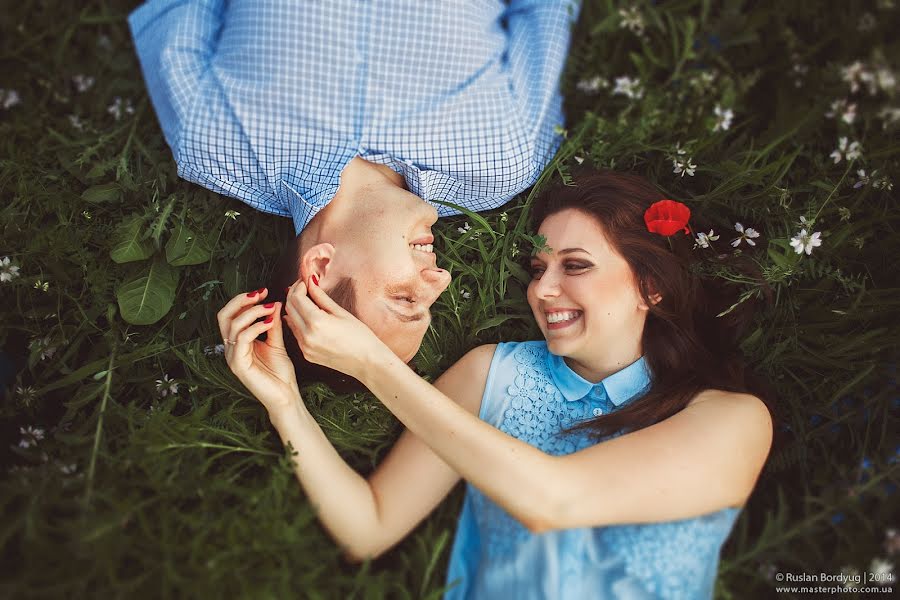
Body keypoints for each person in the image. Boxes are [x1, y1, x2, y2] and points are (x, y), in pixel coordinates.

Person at [217, 169, 776, 599]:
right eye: (538, 269)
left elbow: (554, 500)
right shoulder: (493, 374)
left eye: (574, 266)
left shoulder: (731, 421)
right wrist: (285, 403)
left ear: (650, 286)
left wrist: (375, 366)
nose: (543, 290)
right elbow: (369, 526)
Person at [128, 0, 581, 366]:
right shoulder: (503, 160)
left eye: (405, 297)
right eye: (431, 303)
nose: (440, 279)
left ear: (320, 270)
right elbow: (545, 12)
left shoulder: (210, 144)